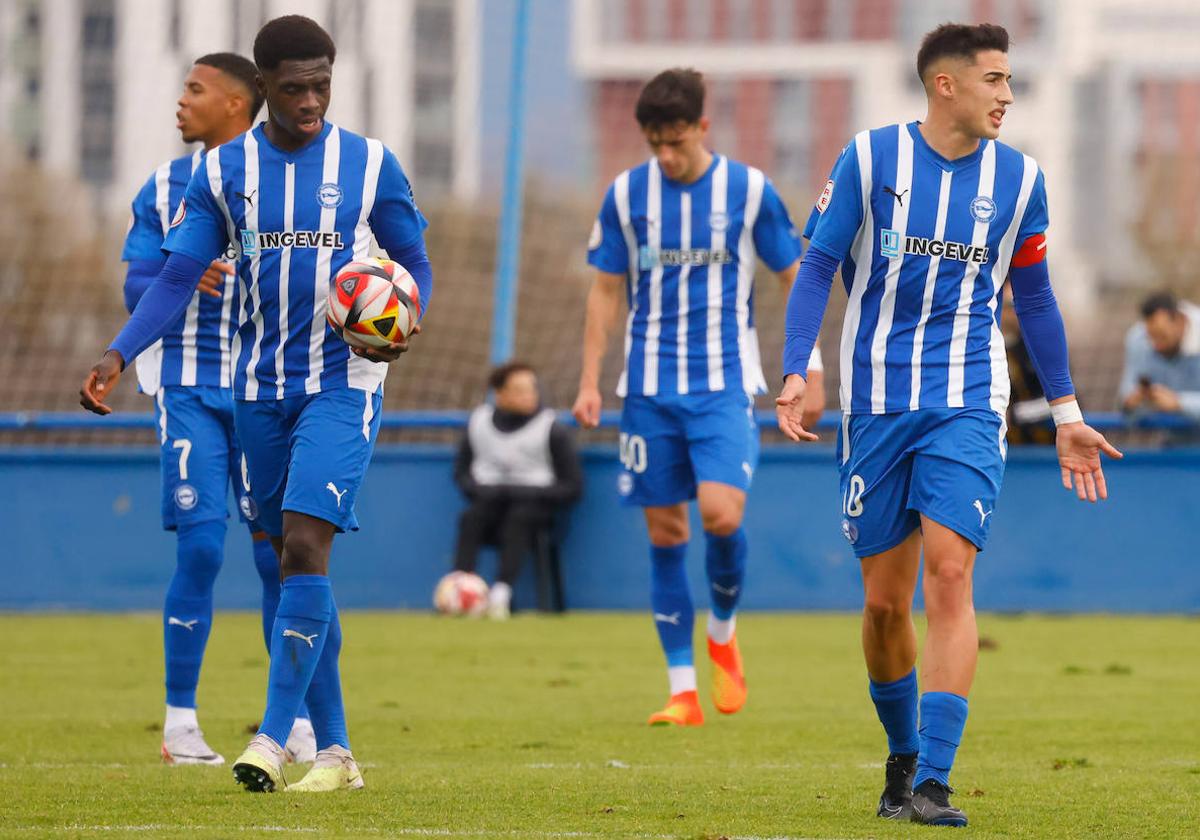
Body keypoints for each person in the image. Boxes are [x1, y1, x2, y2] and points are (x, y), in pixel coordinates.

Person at [775, 23, 1122, 827]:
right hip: (875, 404)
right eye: (995, 79)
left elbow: (1032, 298)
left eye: (1010, 81)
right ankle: (899, 760)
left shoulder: (1023, 179)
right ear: (946, 85)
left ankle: (934, 778)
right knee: (885, 604)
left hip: (969, 398)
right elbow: (818, 265)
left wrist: (1067, 411)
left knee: (951, 574)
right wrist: (799, 366)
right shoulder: (869, 161)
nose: (1007, 95)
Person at [80, 15, 432, 794]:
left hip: (344, 383)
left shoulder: (370, 164)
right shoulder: (222, 174)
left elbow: (413, 263)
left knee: (307, 543)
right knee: (283, 555)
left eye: (323, 85)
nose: (311, 100)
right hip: (258, 387)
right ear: (264, 87)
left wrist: (404, 323)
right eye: (296, 86)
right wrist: (118, 352)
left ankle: (273, 738)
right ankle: (337, 754)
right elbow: (175, 277)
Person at [573, 68, 825, 727]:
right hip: (648, 391)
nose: (665, 154)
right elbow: (604, 289)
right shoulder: (626, 196)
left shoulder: (748, 192)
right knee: (665, 530)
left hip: (722, 386)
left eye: (676, 140)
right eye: (654, 141)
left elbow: (795, 276)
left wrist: (810, 365)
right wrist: (590, 380)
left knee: (719, 514)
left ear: (703, 128)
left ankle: (722, 629)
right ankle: (682, 689)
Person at [121, 51, 316, 769]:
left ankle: (290, 724)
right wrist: (173, 272)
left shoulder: (294, 180)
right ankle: (180, 724)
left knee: (281, 560)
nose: (181, 102)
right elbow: (136, 281)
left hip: (264, 387)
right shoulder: (166, 185)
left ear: (237, 104)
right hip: (188, 385)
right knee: (202, 545)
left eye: (195, 91)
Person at [452, 362, 582, 619]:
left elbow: (573, 487)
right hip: (491, 505)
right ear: (499, 394)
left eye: (532, 389)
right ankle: (460, 588)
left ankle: (501, 593)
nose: (529, 395)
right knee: (472, 517)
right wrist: (484, 490)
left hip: (535, 510)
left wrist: (521, 492)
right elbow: (462, 475)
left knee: (520, 516)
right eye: (519, 390)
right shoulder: (478, 423)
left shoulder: (551, 429)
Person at [1119, 292, 1200, 423]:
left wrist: (1180, 403)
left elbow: (1175, 403)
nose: (1157, 346)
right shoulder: (1138, 339)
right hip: (1173, 440)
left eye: (1162, 336)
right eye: (1151, 337)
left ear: (1180, 321)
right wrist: (1135, 401)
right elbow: (1127, 401)